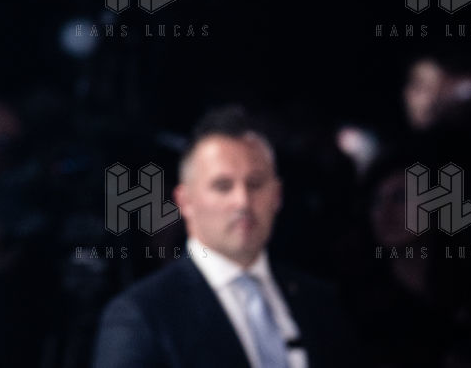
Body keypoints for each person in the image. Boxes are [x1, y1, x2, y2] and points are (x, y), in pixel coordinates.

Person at [92, 106, 347, 368]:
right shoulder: (141, 316)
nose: (242, 201)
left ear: (277, 195)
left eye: (255, 184)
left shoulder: (319, 303)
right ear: (185, 201)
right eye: (222, 186)